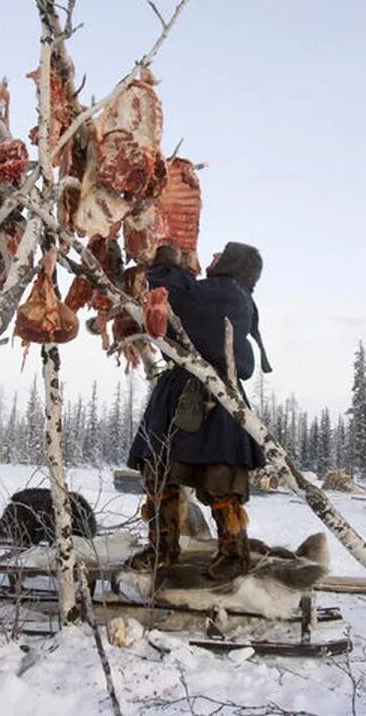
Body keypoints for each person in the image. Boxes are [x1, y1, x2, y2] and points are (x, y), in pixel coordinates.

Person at [125, 242, 272, 580]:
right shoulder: (222, 293)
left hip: (211, 395)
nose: (213, 257)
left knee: (222, 478)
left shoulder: (228, 294)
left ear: (234, 265)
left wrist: (167, 260)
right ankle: (162, 550)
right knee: (161, 474)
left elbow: (171, 292)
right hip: (187, 390)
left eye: (222, 254)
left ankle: (233, 555)